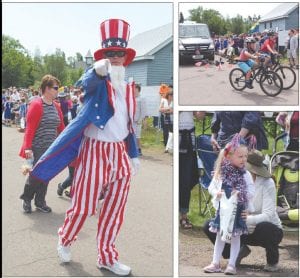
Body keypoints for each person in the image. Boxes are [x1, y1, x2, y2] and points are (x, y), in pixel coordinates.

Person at [30, 18, 140, 276]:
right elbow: (83, 83)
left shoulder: (128, 87)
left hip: (119, 152)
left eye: (119, 54)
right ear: (103, 56)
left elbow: (129, 125)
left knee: (115, 208)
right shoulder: (98, 83)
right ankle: (65, 239)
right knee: (83, 206)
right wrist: (97, 71)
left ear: (125, 57)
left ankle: (107, 256)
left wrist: (133, 154)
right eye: (110, 54)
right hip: (95, 150)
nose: (115, 58)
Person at [203, 149, 283, 272]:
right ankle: (234, 254)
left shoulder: (268, 183)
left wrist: (248, 219)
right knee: (208, 225)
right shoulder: (231, 178)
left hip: (261, 227)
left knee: (266, 228)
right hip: (237, 226)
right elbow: (222, 202)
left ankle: (272, 261)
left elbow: (269, 214)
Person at [203, 134, 255, 275]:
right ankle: (215, 262)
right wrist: (217, 193)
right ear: (228, 157)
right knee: (220, 235)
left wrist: (242, 196)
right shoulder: (221, 173)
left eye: (245, 156)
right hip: (223, 211)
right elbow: (211, 187)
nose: (244, 159)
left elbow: (251, 191)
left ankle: (232, 264)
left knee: (235, 237)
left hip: (237, 211)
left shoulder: (246, 175)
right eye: (240, 156)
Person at [19, 75, 65, 213]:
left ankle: (40, 201)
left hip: (52, 148)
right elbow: (30, 128)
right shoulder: (37, 104)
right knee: (36, 175)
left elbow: (61, 127)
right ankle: (26, 198)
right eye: (56, 88)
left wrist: (69, 140)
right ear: (46, 89)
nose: (58, 90)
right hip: (38, 147)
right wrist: (27, 148)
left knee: (46, 176)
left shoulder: (56, 106)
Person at [179, 111, 205, 229]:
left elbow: (200, 116)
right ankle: (181, 216)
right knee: (180, 181)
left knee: (189, 180)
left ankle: (183, 215)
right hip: (178, 140)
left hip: (190, 143)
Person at [133, 84, 147, 156]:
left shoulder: (142, 98)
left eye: (134, 88)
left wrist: (140, 120)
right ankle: (132, 149)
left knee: (137, 136)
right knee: (131, 136)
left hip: (137, 121)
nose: (133, 90)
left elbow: (143, 111)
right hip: (131, 121)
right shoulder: (131, 98)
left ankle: (139, 149)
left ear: (138, 89)